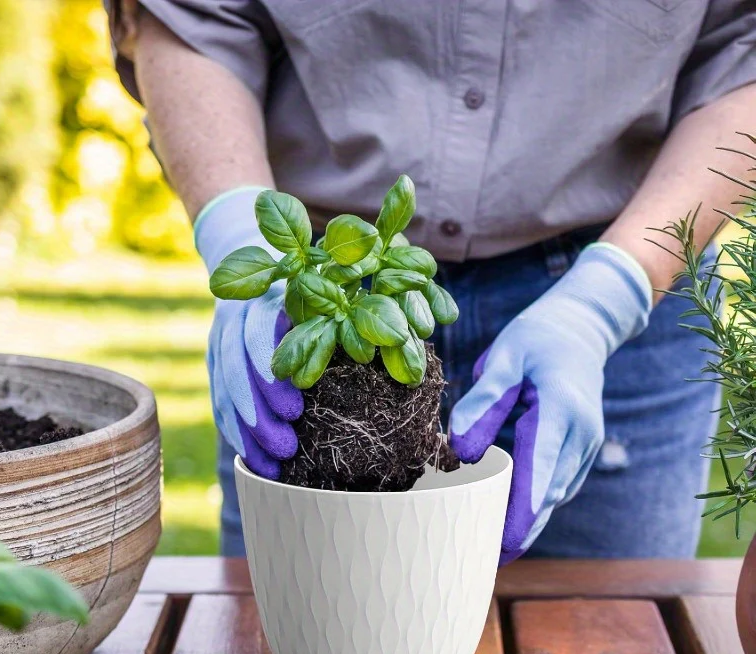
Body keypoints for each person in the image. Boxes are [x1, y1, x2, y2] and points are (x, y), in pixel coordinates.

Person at [107, 0, 756, 561]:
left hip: (623, 280)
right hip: (319, 296)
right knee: (290, 653)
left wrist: (606, 300)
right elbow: (189, 16)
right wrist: (239, 236)